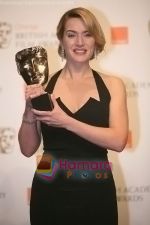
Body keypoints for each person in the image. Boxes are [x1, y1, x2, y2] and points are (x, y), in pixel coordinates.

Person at [18, 7, 128, 225]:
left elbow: (118, 140)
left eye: (87, 34)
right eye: (71, 34)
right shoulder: (44, 85)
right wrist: (29, 108)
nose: (79, 42)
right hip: (48, 184)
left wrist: (66, 121)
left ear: (96, 40)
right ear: (61, 40)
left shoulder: (113, 85)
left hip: (97, 187)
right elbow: (27, 149)